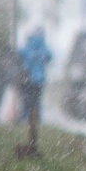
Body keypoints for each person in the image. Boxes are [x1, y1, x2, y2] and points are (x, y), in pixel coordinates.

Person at [15, 27, 53, 158]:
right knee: (36, 101)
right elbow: (49, 56)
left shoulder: (28, 44)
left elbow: (20, 54)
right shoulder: (42, 45)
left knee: (28, 100)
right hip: (39, 79)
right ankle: (36, 118)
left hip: (28, 78)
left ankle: (26, 117)